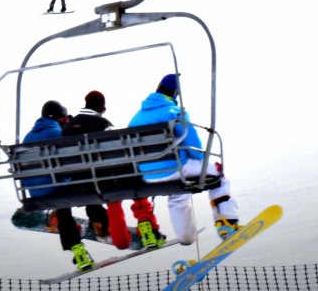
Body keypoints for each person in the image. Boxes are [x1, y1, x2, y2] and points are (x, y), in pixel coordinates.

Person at [129, 74, 239, 244]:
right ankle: (227, 222)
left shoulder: (136, 118)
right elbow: (192, 145)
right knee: (217, 173)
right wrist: (202, 160)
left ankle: (186, 238)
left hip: (148, 175)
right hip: (175, 169)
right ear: (175, 93)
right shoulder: (174, 112)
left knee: (178, 195)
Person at [64, 91, 165, 250]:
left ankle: (121, 241)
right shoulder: (102, 124)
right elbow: (118, 151)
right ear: (103, 107)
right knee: (134, 177)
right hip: (106, 180)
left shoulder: (68, 127)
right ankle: (147, 228)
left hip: (82, 183)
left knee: (112, 200)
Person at [23, 100, 96, 271]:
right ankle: (100, 221)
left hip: (35, 192)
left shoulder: (28, 137)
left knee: (62, 204)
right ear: (59, 117)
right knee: (88, 185)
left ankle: (77, 251)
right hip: (54, 187)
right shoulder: (58, 133)